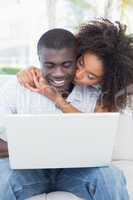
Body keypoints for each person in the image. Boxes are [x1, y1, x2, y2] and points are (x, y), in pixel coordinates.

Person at [0, 21, 130, 200]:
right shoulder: (20, 86)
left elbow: (96, 139)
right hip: (29, 171)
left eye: (90, 76)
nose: (77, 74)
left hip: (77, 171)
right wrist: (25, 148)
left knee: (111, 178)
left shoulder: (100, 95)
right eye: (81, 63)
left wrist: (56, 98)